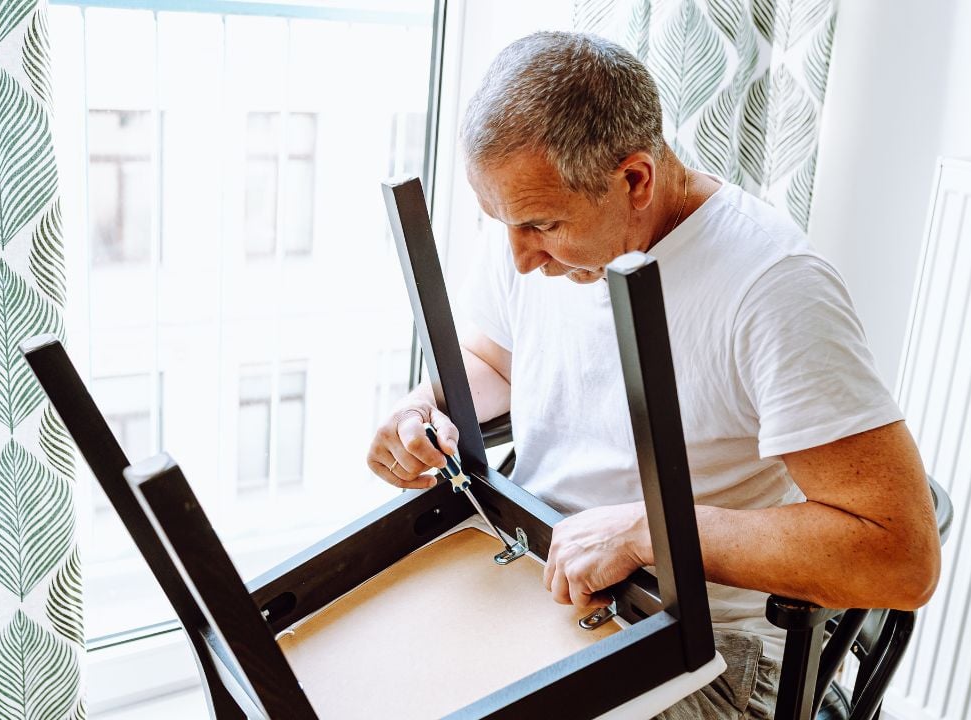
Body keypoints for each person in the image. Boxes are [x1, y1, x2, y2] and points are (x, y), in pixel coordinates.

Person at [365, 31, 940, 719]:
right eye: (503, 224)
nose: (519, 258)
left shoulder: (775, 288)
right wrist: (422, 411)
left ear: (634, 179)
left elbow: (899, 555)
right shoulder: (538, 237)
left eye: (541, 226)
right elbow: (498, 363)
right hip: (541, 572)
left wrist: (646, 532)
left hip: (709, 644)